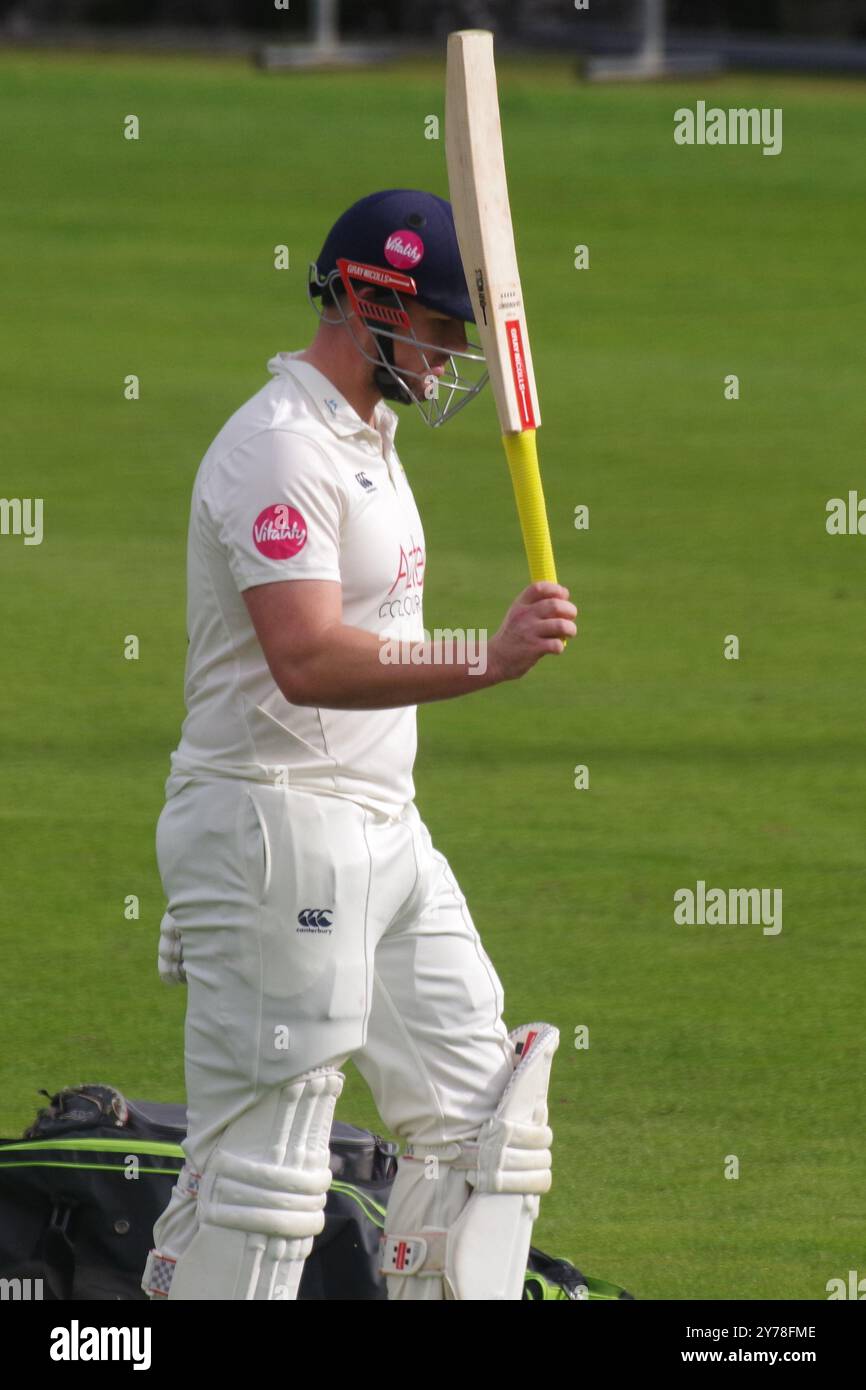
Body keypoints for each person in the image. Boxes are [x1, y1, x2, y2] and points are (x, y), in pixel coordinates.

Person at [141, 189, 577, 1301]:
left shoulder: (367, 439)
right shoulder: (278, 450)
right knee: (266, 1180)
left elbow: (366, 644)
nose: (447, 355)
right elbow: (308, 658)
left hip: (383, 822)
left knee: (488, 1131)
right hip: (272, 823)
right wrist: (490, 654)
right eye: (435, 327)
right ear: (359, 297)